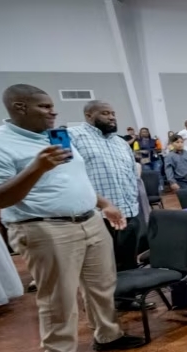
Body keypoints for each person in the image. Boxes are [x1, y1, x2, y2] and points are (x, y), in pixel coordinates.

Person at [0, 84, 145, 352]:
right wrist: (37, 168)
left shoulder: (57, 137)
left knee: (102, 284)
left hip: (90, 219)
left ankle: (107, 335)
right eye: (44, 107)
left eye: (52, 106)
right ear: (19, 107)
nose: (53, 111)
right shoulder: (4, 143)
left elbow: (76, 177)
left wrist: (104, 204)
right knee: (58, 297)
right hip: (45, 227)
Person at [68, 100, 144, 274]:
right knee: (104, 267)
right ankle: (112, 300)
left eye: (113, 113)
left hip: (128, 212)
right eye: (105, 113)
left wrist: (132, 202)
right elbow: (68, 175)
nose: (111, 117)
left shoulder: (120, 142)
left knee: (128, 261)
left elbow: (132, 174)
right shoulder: (73, 136)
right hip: (98, 215)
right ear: (89, 115)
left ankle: (130, 299)